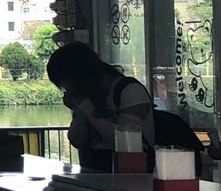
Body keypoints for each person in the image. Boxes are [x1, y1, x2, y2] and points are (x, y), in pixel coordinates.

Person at [46, 41, 155, 172]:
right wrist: (79, 111)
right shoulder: (88, 96)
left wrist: (86, 108)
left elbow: (123, 140)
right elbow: (77, 140)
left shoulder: (130, 91)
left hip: (131, 171)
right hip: (97, 168)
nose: (68, 89)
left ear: (79, 76)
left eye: (67, 83)